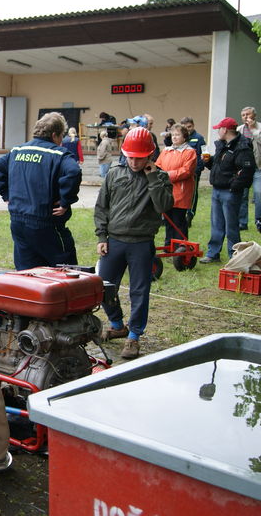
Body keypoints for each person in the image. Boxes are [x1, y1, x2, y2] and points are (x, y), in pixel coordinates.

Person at [95, 127, 173, 360]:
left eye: (139, 158)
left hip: (141, 242)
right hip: (114, 241)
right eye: (130, 157)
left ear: (149, 155)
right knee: (103, 287)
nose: (134, 162)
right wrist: (101, 237)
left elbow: (164, 206)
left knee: (139, 291)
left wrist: (152, 178)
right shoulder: (114, 173)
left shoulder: (160, 177)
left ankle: (134, 336)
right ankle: (117, 324)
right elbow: (102, 207)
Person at [0, 112, 82, 270]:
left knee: (27, 273)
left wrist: (6, 195)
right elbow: (74, 171)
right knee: (65, 270)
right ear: (54, 135)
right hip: (46, 221)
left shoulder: (17, 151)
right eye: (61, 136)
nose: (61, 141)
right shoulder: (58, 154)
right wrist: (65, 201)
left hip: (18, 222)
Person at [200, 118, 256, 263]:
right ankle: (213, 253)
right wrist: (208, 161)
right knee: (216, 224)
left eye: (219, 129)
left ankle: (234, 254)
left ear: (225, 130)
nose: (217, 131)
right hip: (217, 190)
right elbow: (219, 165)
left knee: (231, 226)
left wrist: (233, 186)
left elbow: (247, 170)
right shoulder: (222, 145)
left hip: (230, 192)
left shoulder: (242, 147)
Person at [155, 123, 197, 247]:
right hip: (166, 191)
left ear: (184, 137)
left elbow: (186, 171)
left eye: (177, 134)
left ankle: (181, 247)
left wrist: (167, 175)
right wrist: (159, 175)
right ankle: (169, 245)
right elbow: (158, 165)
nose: (174, 137)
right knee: (168, 221)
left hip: (181, 191)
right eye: (173, 134)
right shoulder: (166, 151)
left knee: (178, 221)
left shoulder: (190, 152)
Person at [237, 106, 261, 230]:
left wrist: (253, 129)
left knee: (259, 193)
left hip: (259, 166)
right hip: (244, 167)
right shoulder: (239, 130)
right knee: (242, 194)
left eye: (248, 114)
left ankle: (259, 220)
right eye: (243, 115)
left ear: (254, 116)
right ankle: (242, 222)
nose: (246, 117)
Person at [180, 117, 207, 226]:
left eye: (189, 127)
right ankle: (181, 215)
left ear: (193, 125)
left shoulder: (199, 138)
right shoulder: (181, 138)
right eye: (185, 127)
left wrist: (198, 169)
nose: (188, 129)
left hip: (194, 172)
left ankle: (189, 215)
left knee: (192, 193)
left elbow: (204, 154)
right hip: (181, 171)